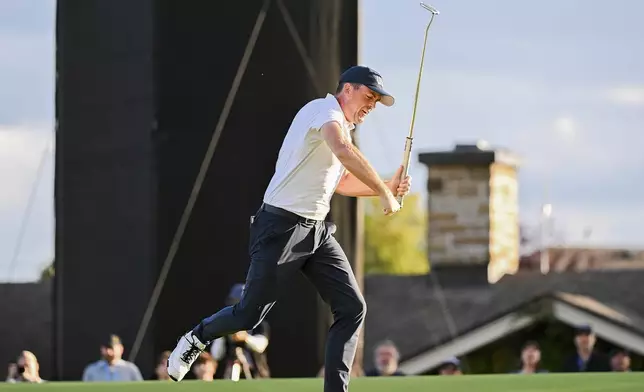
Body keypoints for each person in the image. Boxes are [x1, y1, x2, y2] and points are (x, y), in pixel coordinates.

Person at [167, 65, 411, 392]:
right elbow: (343, 150)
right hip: (280, 227)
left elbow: (342, 182)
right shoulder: (322, 110)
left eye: (377, 101)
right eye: (369, 96)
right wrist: (382, 191)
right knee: (247, 317)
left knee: (353, 307)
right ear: (348, 89)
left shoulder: (342, 128)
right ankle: (196, 337)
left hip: (316, 231)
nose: (372, 105)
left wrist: (387, 185)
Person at [210, 284, 271, 379]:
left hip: (257, 378)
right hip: (230, 378)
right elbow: (216, 354)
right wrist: (221, 334)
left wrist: (245, 338)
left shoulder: (260, 324)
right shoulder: (225, 324)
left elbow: (261, 346)